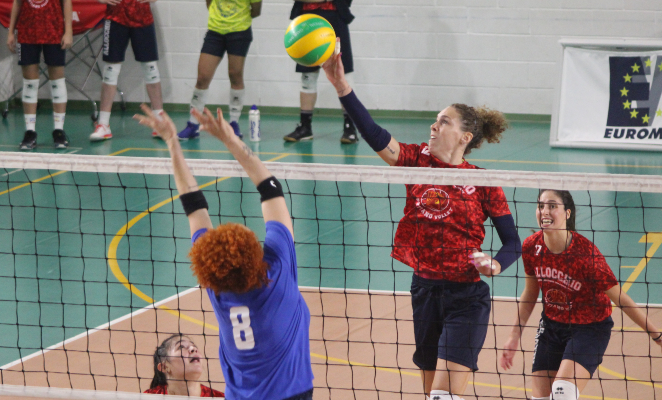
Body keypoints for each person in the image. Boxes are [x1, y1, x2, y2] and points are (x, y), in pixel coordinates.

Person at [318, 41, 522, 399]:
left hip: (465, 296)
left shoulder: (483, 181)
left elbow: (513, 242)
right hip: (424, 292)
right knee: (431, 394)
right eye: (435, 119)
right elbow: (373, 133)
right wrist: (341, 87)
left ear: (465, 137)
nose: (434, 125)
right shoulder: (416, 161)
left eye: (444, 121)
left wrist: (495, 264)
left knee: (443, 395)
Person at [135, 104, 314, 400]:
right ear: (253, 254)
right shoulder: (277, 271)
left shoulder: (217, 290)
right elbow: (270, 188)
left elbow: (193, 205)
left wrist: (172, 142)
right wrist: (230, 140)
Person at [500, 189, 662, 400]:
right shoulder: (532, 246)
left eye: (552, 206)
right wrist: (514, 336)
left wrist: (657, 335)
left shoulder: (585, 255)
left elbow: (621, 299)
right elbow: (530, 293)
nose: (545, 211)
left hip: (589, 329)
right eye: (540, 206)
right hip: (551, 327)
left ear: (567, 213)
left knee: (562, 395)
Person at [176, 0, 262, 140]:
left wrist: (236, 18)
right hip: (215, 31)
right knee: (203, 77)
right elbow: (209, 3)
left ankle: (233, 123)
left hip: (240, 31)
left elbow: (256, 11)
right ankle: (193, 125)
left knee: (235, 75)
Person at [283, 0, 357, 144]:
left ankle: (350, 127)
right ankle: (305, 127)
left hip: (335, 18)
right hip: (307, 21)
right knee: (307, 76)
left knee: (343, 74)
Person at [89, 0, 164, 141]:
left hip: (142, 17)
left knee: (151, 69)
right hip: (115, 17)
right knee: (110, 70)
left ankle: (159, 123)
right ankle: (103, 124)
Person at [7, 0, 73, 150]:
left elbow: (66, 2)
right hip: (27, 32)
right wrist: (11, 32)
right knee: (29, 83)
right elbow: (17, 3)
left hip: (54, 30)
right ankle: (30, 132)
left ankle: (59, 130)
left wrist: (68, 31)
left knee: (57, 81)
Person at [144, 334, 224, 397]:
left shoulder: (219, 398)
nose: (193, 349)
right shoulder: (150, 397)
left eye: (194, 346)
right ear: (164, 367)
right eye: (181, 347)